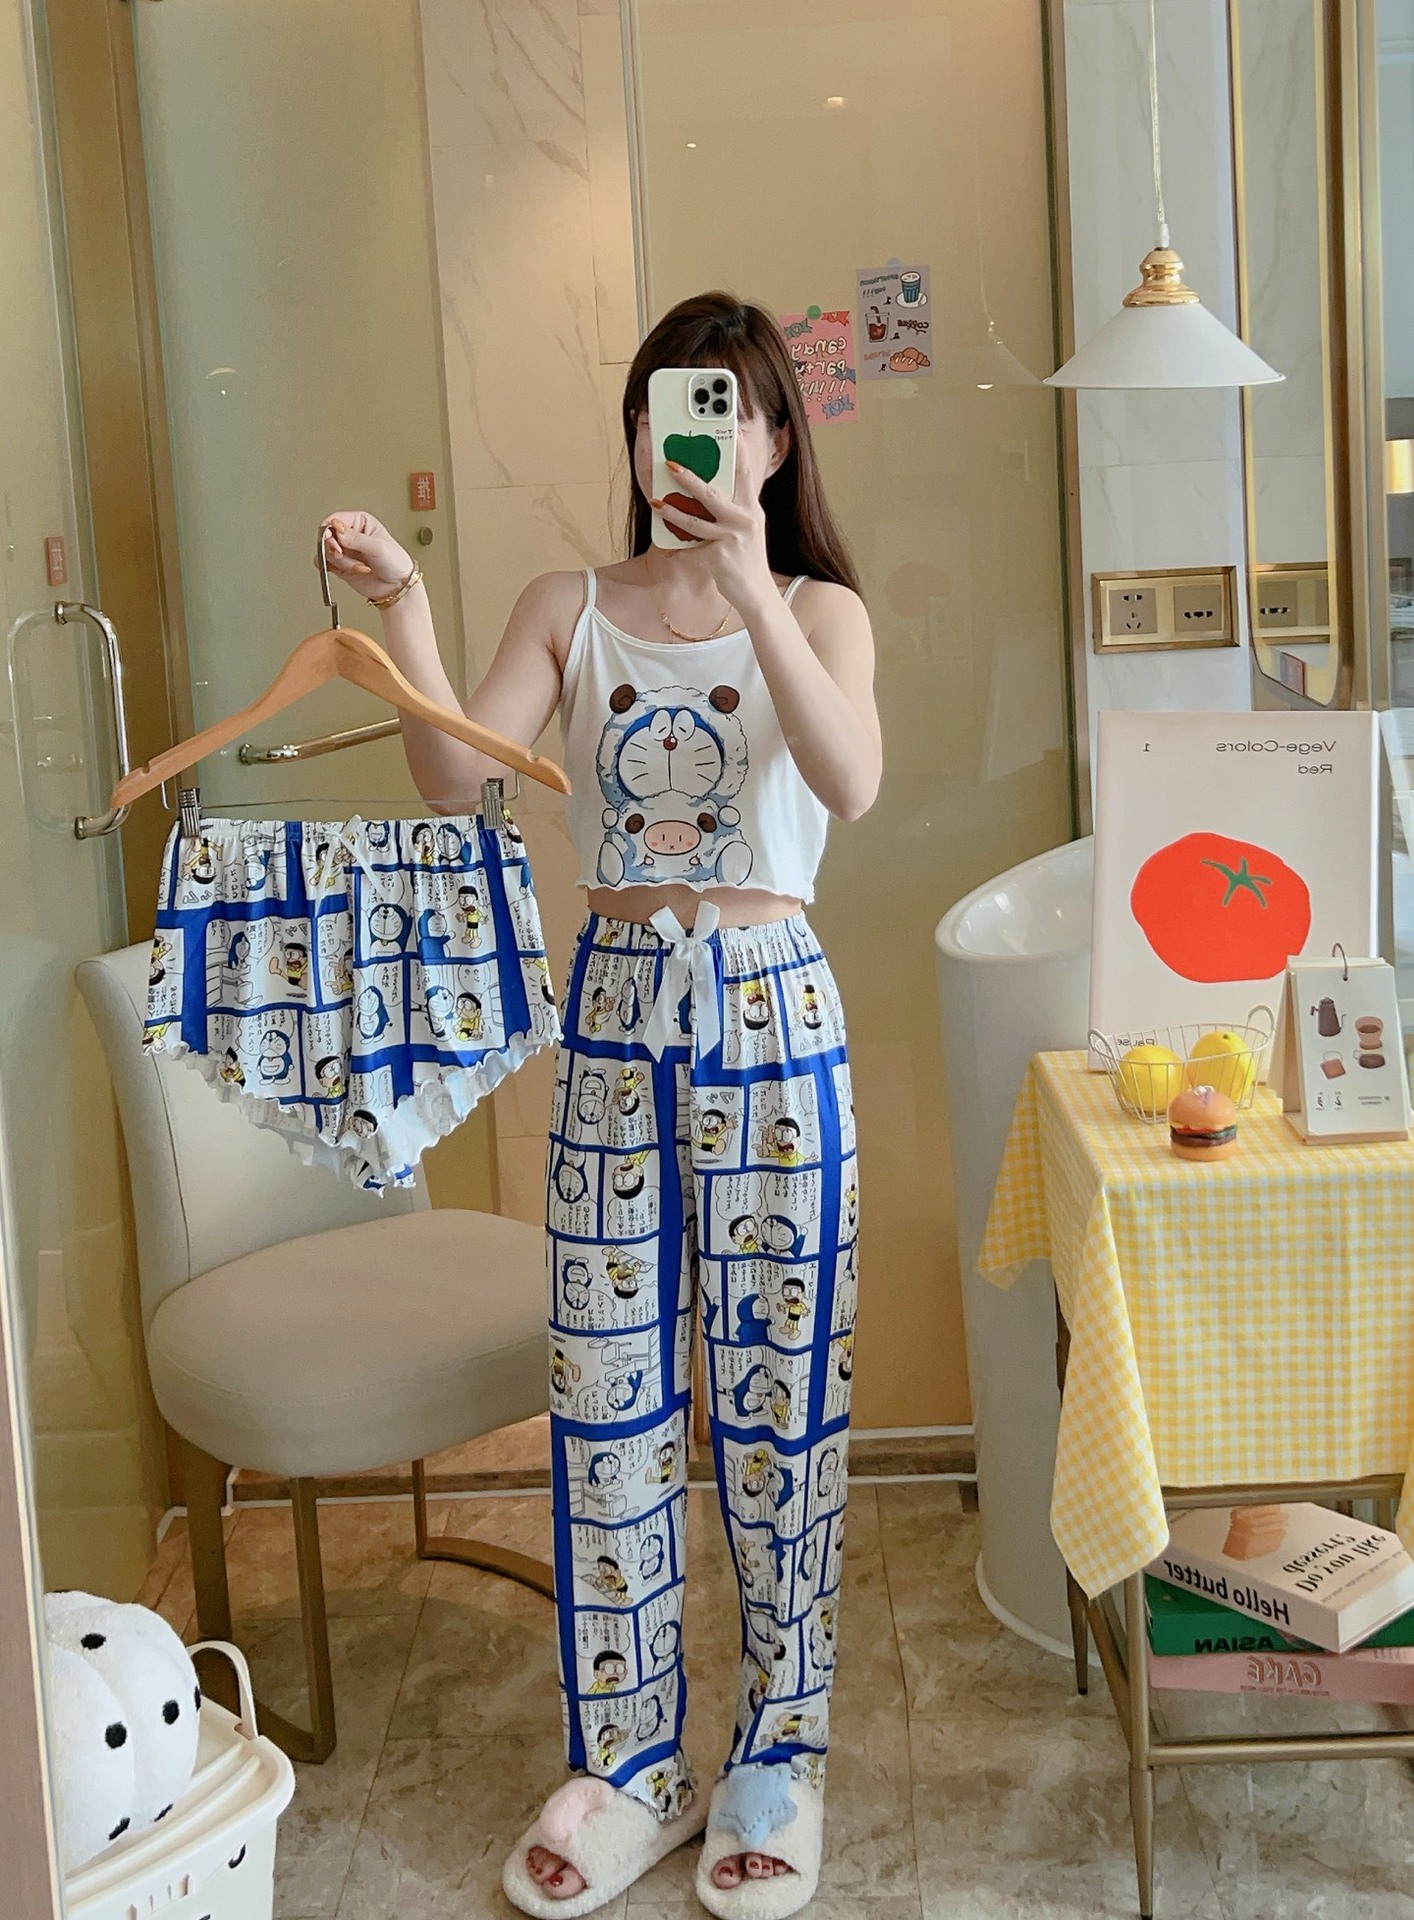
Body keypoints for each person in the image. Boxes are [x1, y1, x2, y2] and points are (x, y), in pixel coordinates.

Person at [320, 289, 879, 1920]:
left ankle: (779, 1753)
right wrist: (408, 604)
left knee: (780, 1408)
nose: (683, 438)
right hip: (617, 1017)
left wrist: (751, 583)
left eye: (723, 410)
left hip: (775, 1020)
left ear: (771, 439)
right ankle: (630, 1762)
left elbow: (848, 782)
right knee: (608, 1404)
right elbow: (456, 775)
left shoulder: (822, 609)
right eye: (658, 410)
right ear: (633, 434)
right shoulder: (568, 603)